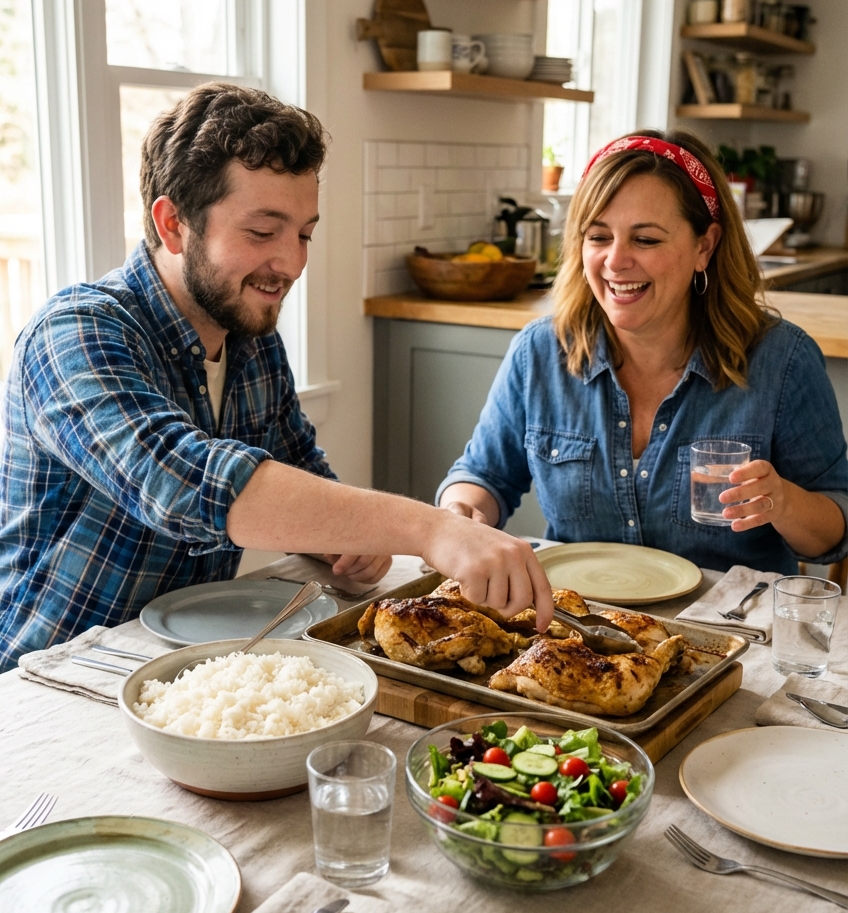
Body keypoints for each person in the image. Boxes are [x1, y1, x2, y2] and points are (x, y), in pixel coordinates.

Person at [0, 83, 551, 671]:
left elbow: (297, 472)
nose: (290, 263)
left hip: (185, 670)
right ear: (173, 225)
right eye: (262, 232)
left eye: (304, 233)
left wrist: (347, 541)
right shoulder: (76, 332)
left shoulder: (250, 336)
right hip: (47, 678)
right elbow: (186, 482)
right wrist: (430, 529)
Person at [437, 130, 847, 575]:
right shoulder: (540, 351)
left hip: (733, 632)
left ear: (704, 247)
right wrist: (460, 514)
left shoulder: (782, 360)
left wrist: (783, 502)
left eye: (646, 240)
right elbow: (483, 477)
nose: (615, 261)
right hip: (578, 631)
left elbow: (834, 531)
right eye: (598, 236)